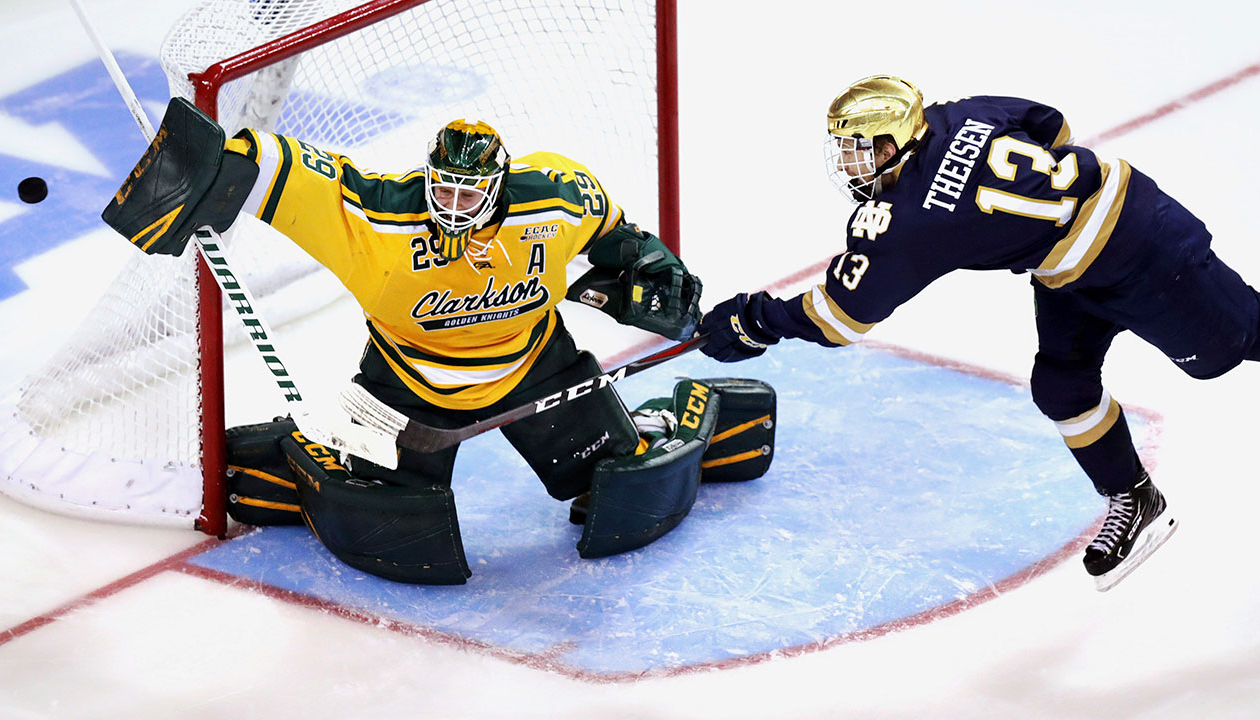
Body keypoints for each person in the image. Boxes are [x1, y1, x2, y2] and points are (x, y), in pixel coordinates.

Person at [101, 97, 777, 584]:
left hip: (537, 368)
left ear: (497, 185)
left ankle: (653, 427)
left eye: (467, 195)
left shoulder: (556, 198)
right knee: (392, 519)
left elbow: (617, 236)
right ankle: (302, 453)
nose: (451, 208)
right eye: (442, 192)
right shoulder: (379, 217)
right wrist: (212, 164)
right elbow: (287, 169)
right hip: (405, 388)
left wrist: (651, 269)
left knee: (619, 479)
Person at [698, 75, 1260, 592]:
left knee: (1239, 338)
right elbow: (1051, 122)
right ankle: (1136, 499)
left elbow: (842, 317)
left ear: (893, 142)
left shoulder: (907, 219)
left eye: (857, 151)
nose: (848, 165)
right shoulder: (959, 113)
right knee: (1062, 385)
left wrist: (756, 318)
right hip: (1071, 262)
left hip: (1141, 247)